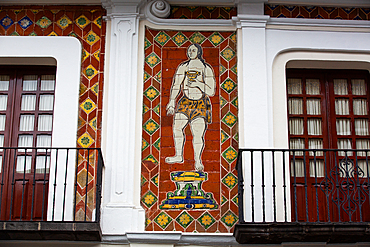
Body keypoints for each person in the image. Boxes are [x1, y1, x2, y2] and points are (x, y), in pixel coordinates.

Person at [165, 43, 216, 171]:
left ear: (198, 52)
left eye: (193, 50)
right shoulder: (184, 67)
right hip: (185, 101)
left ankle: (198, 161)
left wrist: (198, 83)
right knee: (177, 127)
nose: (190, 52)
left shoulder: (206, 68)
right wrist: (172, 101)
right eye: (189, 50)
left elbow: (211, 91)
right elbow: (176, 85)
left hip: (200, 103)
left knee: (197, 134)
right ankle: (178, 155)